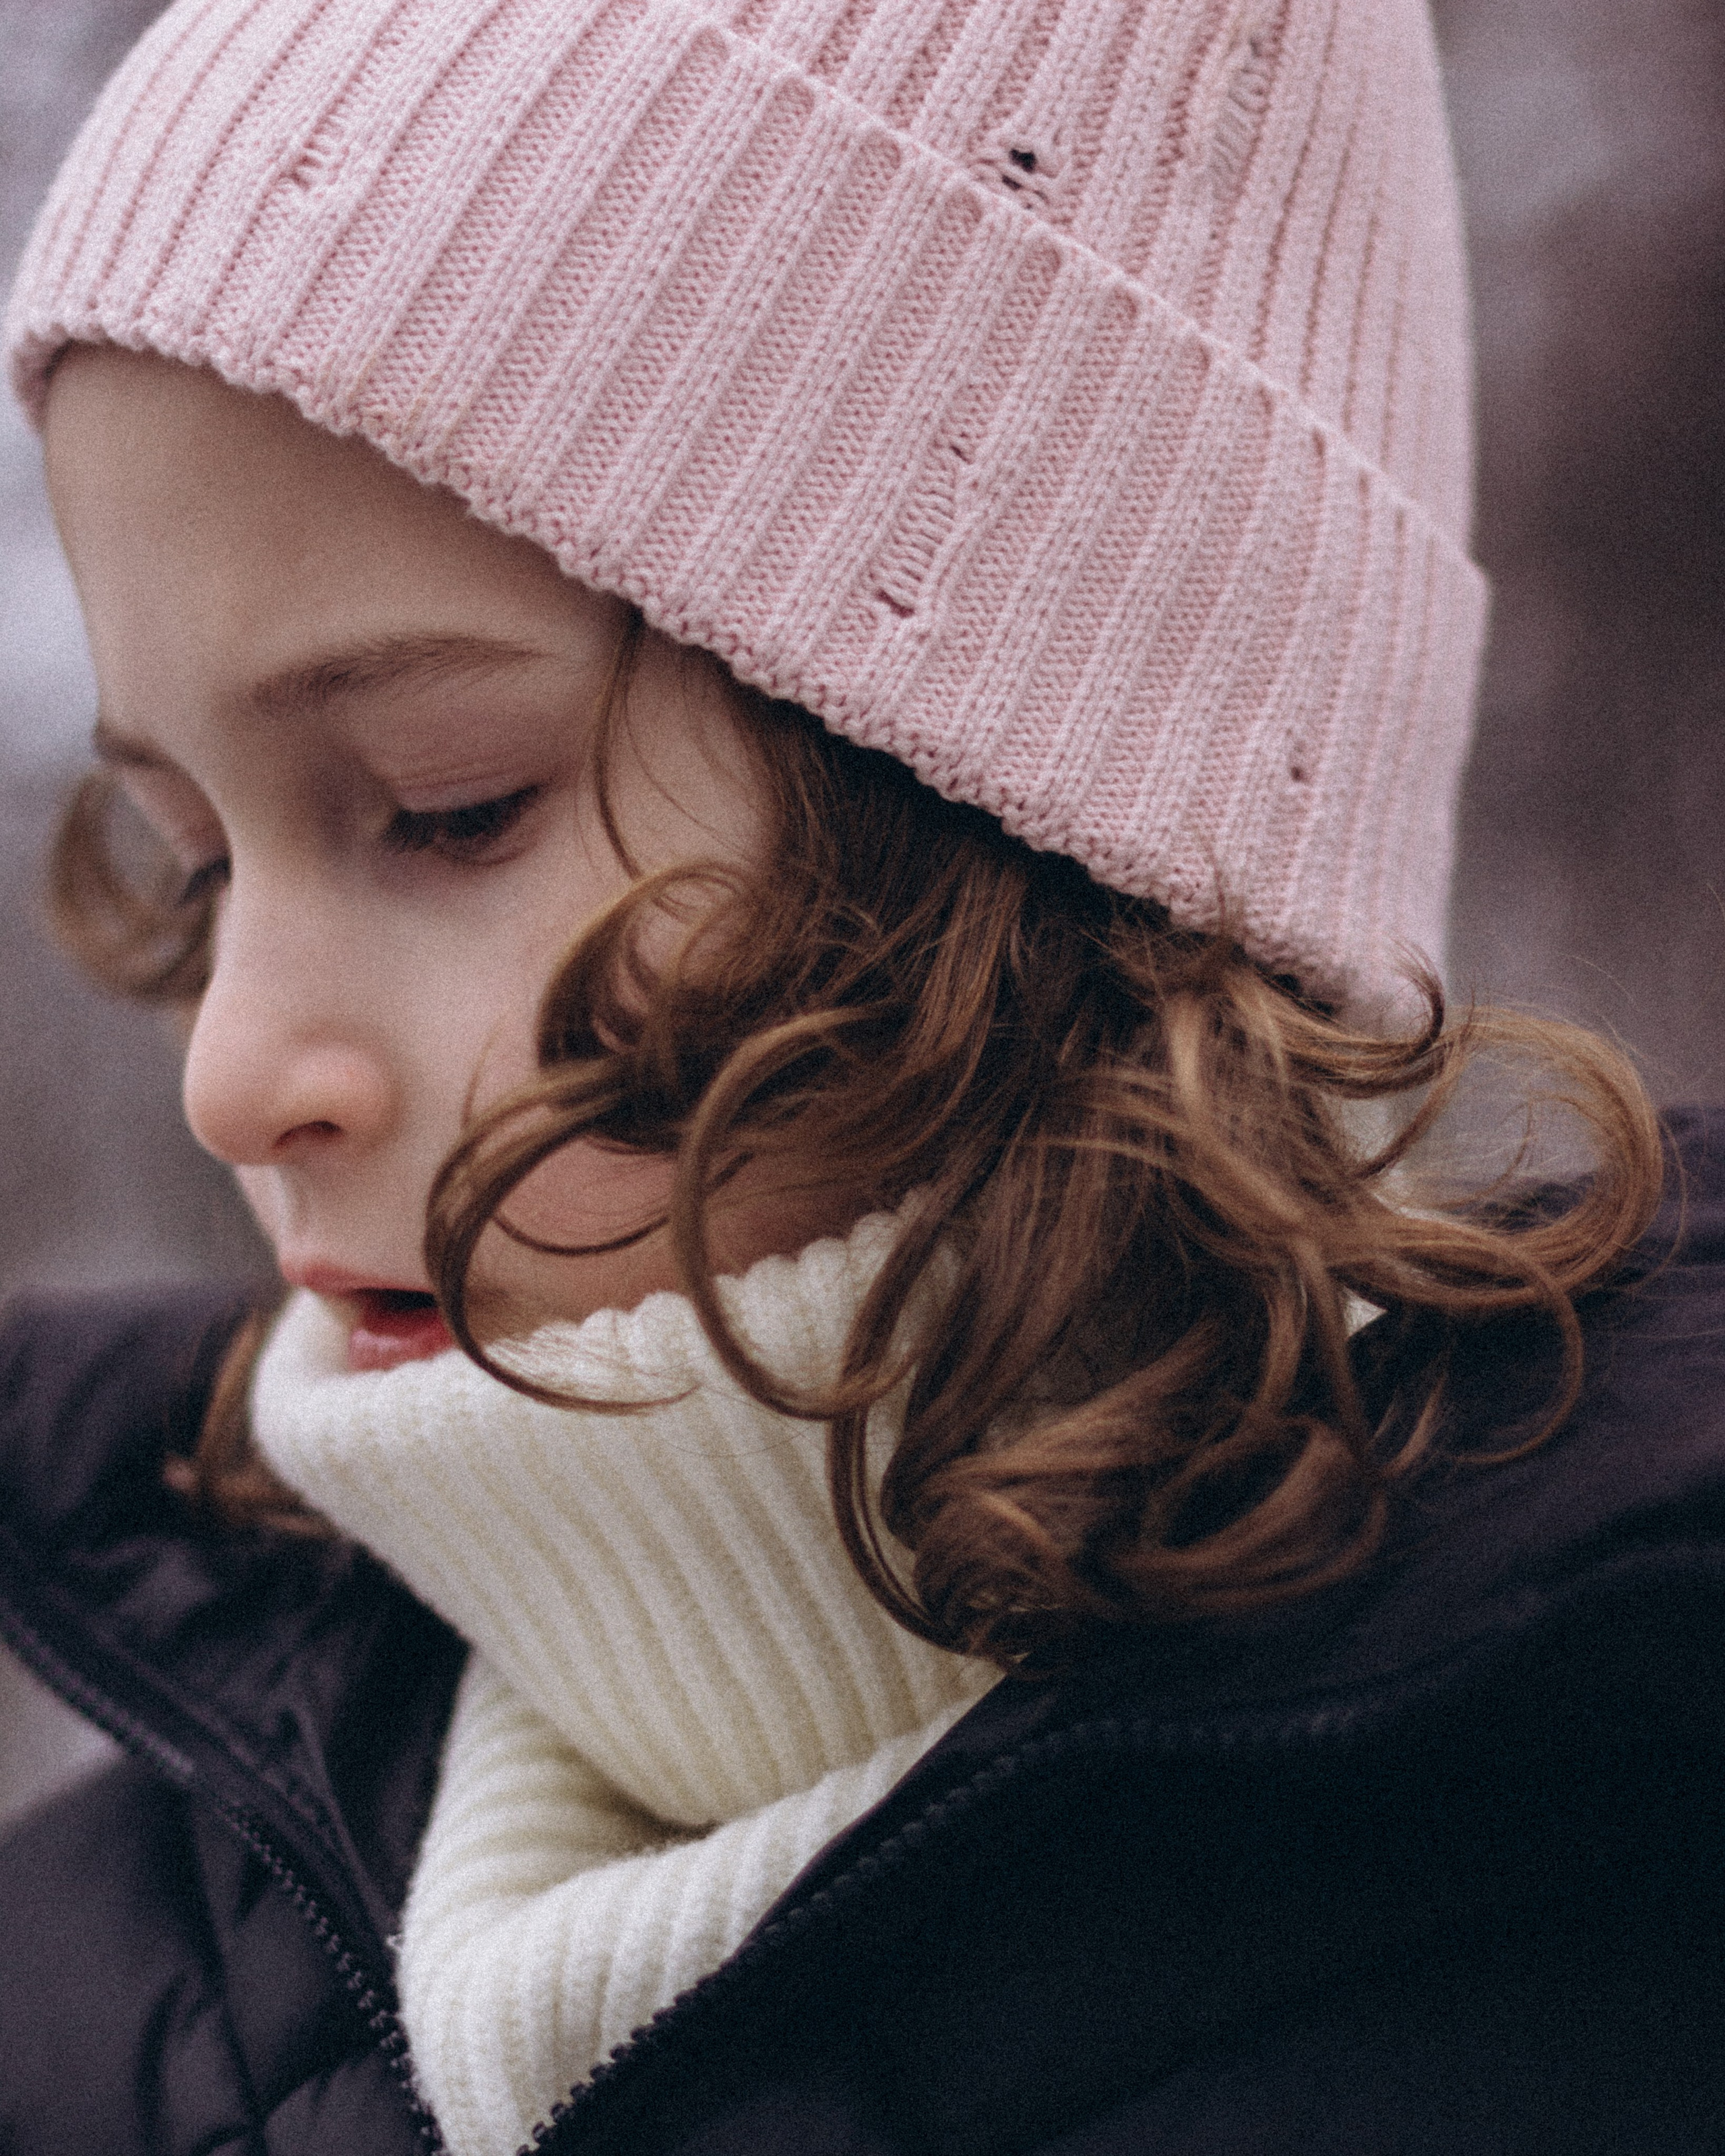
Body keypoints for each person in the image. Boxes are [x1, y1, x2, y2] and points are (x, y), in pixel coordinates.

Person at [3, 1, 1724, 2152]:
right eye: (196, 858)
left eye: (449, 809)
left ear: (1060, 846)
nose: (238, 1073)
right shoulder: (95, 1993)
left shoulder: (1613, 1910)